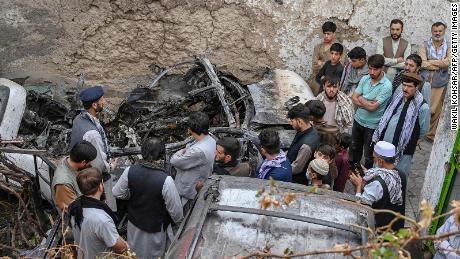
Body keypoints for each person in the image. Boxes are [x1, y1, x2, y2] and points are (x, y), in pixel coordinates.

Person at [112, 138, 183, 259]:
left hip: (134, 222)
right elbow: (175, 211)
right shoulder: (166, 180)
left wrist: (132, 195)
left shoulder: (130, 170)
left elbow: (117, 192)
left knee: (134, 252)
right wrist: (179, 223)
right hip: (154, 227)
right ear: (161, 154)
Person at [70, 85, 116, 211]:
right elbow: (99, 165)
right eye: (102, 99)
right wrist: (111, 166)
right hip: (91, 177)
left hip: (81, 172)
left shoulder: (79, 118)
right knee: (106, 207)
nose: (104, 101)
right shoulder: (92, 134)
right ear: (94, 105)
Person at [372, 72, 430, 175]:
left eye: (409, 86)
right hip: (384, 143)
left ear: (416, 87)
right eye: (404, 85)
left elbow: (424, 131)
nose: (405, 89)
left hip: (403, 150)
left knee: (398, 176)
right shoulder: (398, 96)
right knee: (378, 173)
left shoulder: (422, 106)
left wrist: (409, 139)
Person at [68, 168, 128, 259]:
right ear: (100, 187)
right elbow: (121, 248)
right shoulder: (101, 219)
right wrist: (126, 245)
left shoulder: (75, 207)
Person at [349, 141, 406, 231]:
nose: (373, 160)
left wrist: (358, 186)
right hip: (395, 227)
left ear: (380, 161)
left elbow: (361, 209)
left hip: (379, 229)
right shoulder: (401, 174)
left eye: (374, 158)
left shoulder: (377, 184)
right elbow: (385, 194)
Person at [350, 54, 392, 170]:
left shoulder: (386, 86)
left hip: (372, 126)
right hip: (358, 120)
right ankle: (354, 169)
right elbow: (354, 97)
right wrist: (367, 103)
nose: (372, 72)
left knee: (369, 155)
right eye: (370, 68)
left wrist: (362, 99)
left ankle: (367, 175)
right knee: (354, 147)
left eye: (375, 69)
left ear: (382, 68)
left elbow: (372, 108)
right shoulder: (365, 78)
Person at [170, 112, 216, 208]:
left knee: (183, 215)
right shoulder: (211, 139)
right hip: (200, 181)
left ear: (190, 129)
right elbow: (189, 146)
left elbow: (174, 161)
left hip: (189, 190)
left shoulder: (198, 151)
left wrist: (180, 152)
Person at [419, 22, 451, 142]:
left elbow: (448, 62)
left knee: (435, 108)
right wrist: (440, 63)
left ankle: (430, 134)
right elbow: (422, 63)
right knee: (424, 106)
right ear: (432, 31)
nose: (437, 33)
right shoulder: (424, 45)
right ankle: (419, 131)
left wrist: (430, 62)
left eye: (440, 31)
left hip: (440, 81)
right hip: (425, 79)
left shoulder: (449, 46)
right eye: (435, 31)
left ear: (444, 31)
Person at [52, 140, 97, 213]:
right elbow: (73, 210)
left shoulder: (70, 159)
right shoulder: (63, 184)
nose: (91, 164)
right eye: (89, 162)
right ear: (83, 162)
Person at [310, 21, 348, 95]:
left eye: (328, 34)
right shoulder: (318, 47)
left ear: (334, 34)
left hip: (333, 80)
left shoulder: (340, 48)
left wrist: (322, 62)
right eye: (324, 34)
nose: (326, 36)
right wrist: (328, 63)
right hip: (318, 79)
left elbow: (340, 64)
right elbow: (314, 66)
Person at [286, 104, 319, 185]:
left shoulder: (306, 147)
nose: (291, 123)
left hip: (295, 181)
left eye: (292, 121)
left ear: (300, 122)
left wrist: (281, 169)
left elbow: (296, 168)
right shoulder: (309, 128)